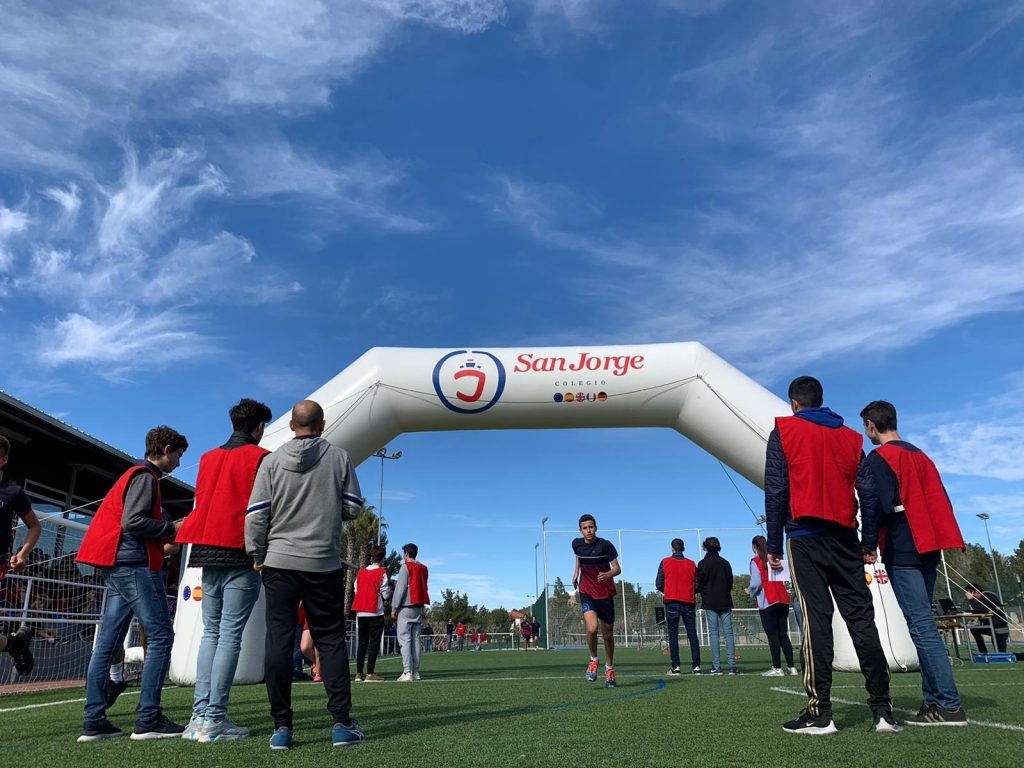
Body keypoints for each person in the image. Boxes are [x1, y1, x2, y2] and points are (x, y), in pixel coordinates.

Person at [765, 376, 897, 735]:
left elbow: (776, 490)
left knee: (816, 622)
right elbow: (868, 495)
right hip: (845, 538)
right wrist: (868, 541)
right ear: (821, 400)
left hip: (805, 537)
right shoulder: (852, 438)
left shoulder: (784, 432)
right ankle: (883, 712)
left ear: (794, 403)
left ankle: (820, 712)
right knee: (861, 620)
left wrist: (773, 545)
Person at [245, 400, 365, 750]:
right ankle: (341, 723)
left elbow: (256, 515)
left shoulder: (270, 460)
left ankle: (282, 727)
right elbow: (354, 507)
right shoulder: (339, 457)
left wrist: (257, 554)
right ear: (322, 424)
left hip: (278, 563)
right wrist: (328, 511)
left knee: (278, 641)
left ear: (292, 426)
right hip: (322, 563)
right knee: (330, 640)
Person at [860, 400, 969, 726]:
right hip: (928, 546)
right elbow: (940, 499)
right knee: (922, 626)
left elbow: (875, 504)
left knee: (921, 628)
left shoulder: (879, 457)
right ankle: (933, 702)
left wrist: (867, 545)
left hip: (903, 547)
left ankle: (949, 704)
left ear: (870, 425)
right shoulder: (921, 455)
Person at [76, 426, 189, 742]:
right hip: (135, 566)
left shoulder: (136, 475)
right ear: (166, 449)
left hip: (118, 565)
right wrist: (170, 526)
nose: (179, 463)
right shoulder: (145, 477)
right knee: (162, 636)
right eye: (179, 455)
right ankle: (149, 717)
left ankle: (94, 722)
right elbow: (134, 522)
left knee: (108, 644)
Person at [177, 398, 272, 742]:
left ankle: (199, 716)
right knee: (229, 633)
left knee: (211, 633)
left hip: (204, 548)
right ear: (259, 427)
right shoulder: (262, 458)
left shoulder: (207, 458)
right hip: (239, 548)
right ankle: (215, 717)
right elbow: (264, 509)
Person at [0, 434, 41, 676]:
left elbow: (35, 526)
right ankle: (15, 643)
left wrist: (22, 553)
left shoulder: (12, 492)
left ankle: (16, 643)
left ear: (3, 460)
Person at [571, 514, 622, 688]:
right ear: (580, 530)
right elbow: (579, 556)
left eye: (591, 527)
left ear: (596, 527)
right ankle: (593, 660)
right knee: (592, 628)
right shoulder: (576, 544)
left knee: (608, 636)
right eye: (585, 528)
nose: (588, 530)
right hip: (587, 592)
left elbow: (617, 568)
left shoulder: (605, 545)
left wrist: (608, 574)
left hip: (605, 594)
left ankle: (609, 667)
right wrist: (576, 573)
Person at [747, 535, 796, 677]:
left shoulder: (755, 561)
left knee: (773, 636)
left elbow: (756, 583)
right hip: (783, 600)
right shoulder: (775, 559)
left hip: (768, 602)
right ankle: (791, 667)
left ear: (754, 547)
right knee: (783, 635)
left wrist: (749, 591)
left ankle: (777, 668)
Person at [656, 538, 701, 675]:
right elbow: (698, 584)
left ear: (672, 548)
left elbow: (658, 583)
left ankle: (676, 667)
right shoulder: (692, 564)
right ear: (683, 548)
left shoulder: (665, 562)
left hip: (672, 602)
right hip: (688, 601)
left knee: (673, 635)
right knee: (692, 634)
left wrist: (669, 590)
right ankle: (696, 666)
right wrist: (688, 591)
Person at [695, 537, 735, 676]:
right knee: (729, 634)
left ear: (705, 547)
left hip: (710, 602)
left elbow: (698, 584)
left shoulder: (703, 563)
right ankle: (731, 666)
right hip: (725, 600)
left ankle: (716, 667)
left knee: (714, 634)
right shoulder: (725, 563)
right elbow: (730, 582)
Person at [352, 545, 391, 682]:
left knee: (362, 643)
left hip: (361, 612)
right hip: (375, 612)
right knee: (373, 643)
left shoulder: (361, 572)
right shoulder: (382, 573)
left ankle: (358, 673)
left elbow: (356, 590)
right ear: (383, 558)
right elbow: (385, 593)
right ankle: (370, 673)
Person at [392, 543, 429, 682]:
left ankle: (407, 672)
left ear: (406, 553)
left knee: (405, 640)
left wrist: (394, 607)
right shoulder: (424, 568)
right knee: (415, 640)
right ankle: (416, 672)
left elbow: (400, 589)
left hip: (406, 606)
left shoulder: (405, 567)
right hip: (418, 607)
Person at [965, 585, 1009, 654]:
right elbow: (979, 609)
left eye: (969, 593)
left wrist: (971, 600)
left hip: (999, 627)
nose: (967, 595)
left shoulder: (987, 595)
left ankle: (1018, 656)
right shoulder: (983, 598)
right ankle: (983, 653)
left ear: (974, 592)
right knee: (974, 629)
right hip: (991, 626)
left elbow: (980, 610)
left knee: (1001, 654)